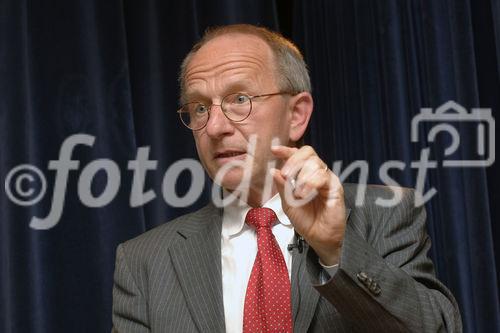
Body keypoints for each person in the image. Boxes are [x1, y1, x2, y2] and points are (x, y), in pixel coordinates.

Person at [112, 24, 462, 332]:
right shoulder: (144, 261)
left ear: (297, 115)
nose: (215, 127)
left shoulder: (385, 213)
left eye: (240, 99)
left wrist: (336, 249)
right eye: (200, 107)